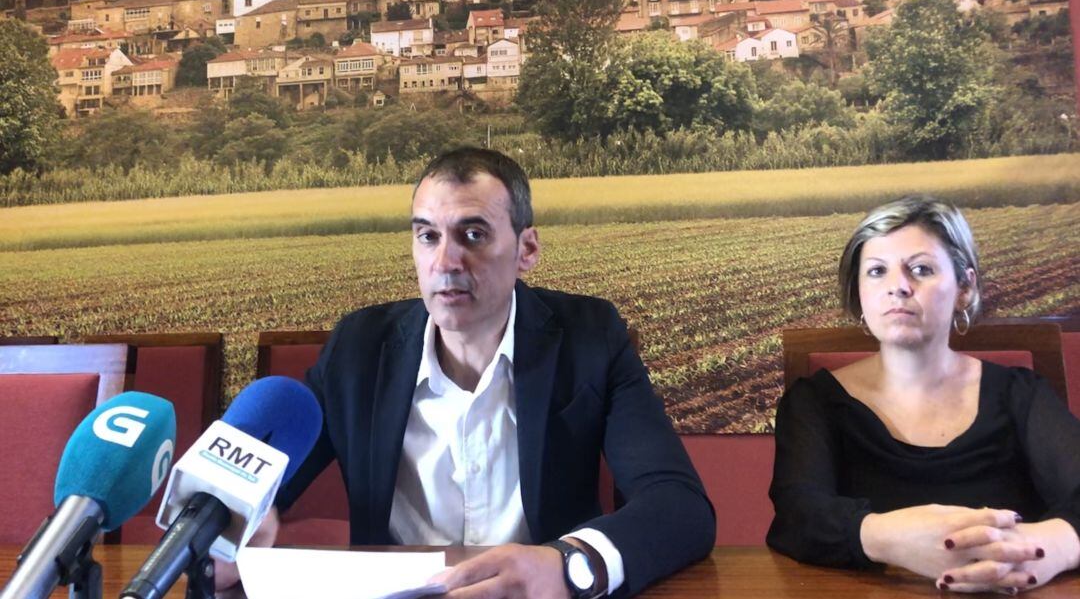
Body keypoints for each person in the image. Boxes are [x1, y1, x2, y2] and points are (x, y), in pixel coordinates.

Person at [219, 147, 714, 598]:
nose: (445, 261)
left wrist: (568, 566)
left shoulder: (590, 337)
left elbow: (681, 507)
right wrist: (230, 528)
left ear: (527, 251)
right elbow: (246, 496)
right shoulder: (359, 348)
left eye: (472, 235)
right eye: (427, 236)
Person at [767, 194, 1080, 593]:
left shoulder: (1022, 394)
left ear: (964, 288)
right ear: (858, 293)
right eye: (877, 271)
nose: (898, 287)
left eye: (920, 269)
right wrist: (887, 538)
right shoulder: (814, 402)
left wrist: (1051, 547)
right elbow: (797, 516)